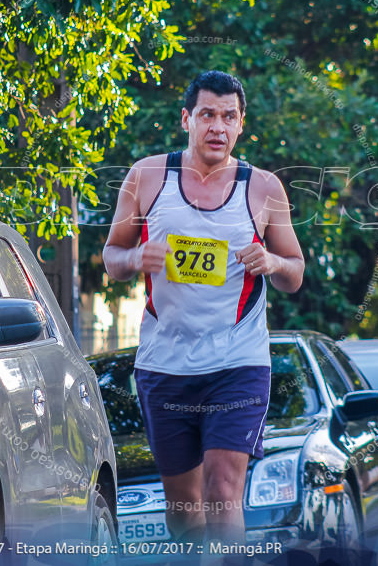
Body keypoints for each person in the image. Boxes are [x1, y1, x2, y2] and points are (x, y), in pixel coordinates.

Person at [103, 70, 304, 546]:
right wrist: (136, 257)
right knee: (185, 510)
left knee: (223, 492)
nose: (218, 126)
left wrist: (271, 259)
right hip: (165, 365)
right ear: (186, 120)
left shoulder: (264, 187)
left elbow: (294, 273)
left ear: (240, 125)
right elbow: (112, 258)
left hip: (238, 363)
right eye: (208, 115)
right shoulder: (148, 176)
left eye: (228, 117)